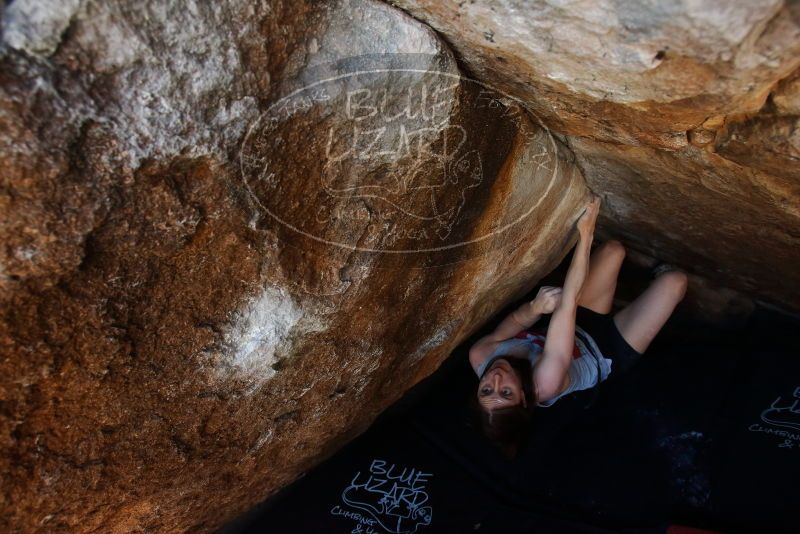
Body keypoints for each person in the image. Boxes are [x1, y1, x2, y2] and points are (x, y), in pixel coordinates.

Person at [468, 195, 688, 457]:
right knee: (676, 282)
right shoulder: (544, 384)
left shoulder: (480, 356)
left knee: (613, 251)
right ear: (524, 397)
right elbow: (567, 304)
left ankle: (627, 285)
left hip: (579, 324)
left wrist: (535, 308)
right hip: (606, 349)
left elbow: (516, 320)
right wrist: (586, 232)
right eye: (505, 391)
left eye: (486, 389)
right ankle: (657, 278)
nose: (495, 378)